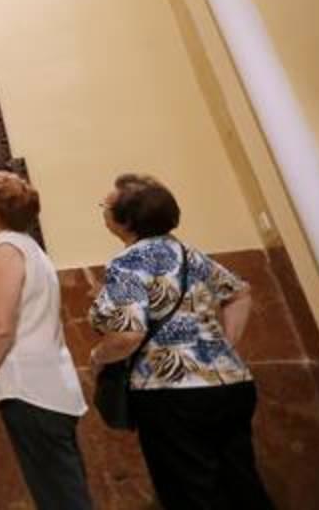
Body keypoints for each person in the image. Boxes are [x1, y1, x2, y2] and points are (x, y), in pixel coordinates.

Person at [89, 174, 272, 510]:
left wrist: (99, 356)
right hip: (231, 385)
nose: (102, 211)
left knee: (191, 495)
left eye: (106, 206)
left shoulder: (126, 263)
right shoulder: (189, 254)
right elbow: (240, 293)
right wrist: (222, 348)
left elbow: (129, 334)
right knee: (242, 486)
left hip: (171, 394)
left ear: (126, 220)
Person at [0, 171, 91, 509]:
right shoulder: (27, 246)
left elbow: (0, 326)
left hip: (28, 388)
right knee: (61, 487)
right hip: (46, 384)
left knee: (59, 495)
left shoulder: (6, 249)